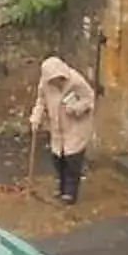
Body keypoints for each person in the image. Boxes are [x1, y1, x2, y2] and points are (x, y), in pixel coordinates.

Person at [30, 54, 97, 204]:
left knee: (72, 159)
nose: (57, 82)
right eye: (53, 80)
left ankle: (70, 193)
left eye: (58, 79)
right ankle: (62, 188)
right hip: (57, 126)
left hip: (76, 125)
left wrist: (76, 107)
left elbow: (89, 97)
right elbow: (40, 101)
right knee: (58, 158)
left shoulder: (76, 80)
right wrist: (36, 117)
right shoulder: (45, 84)